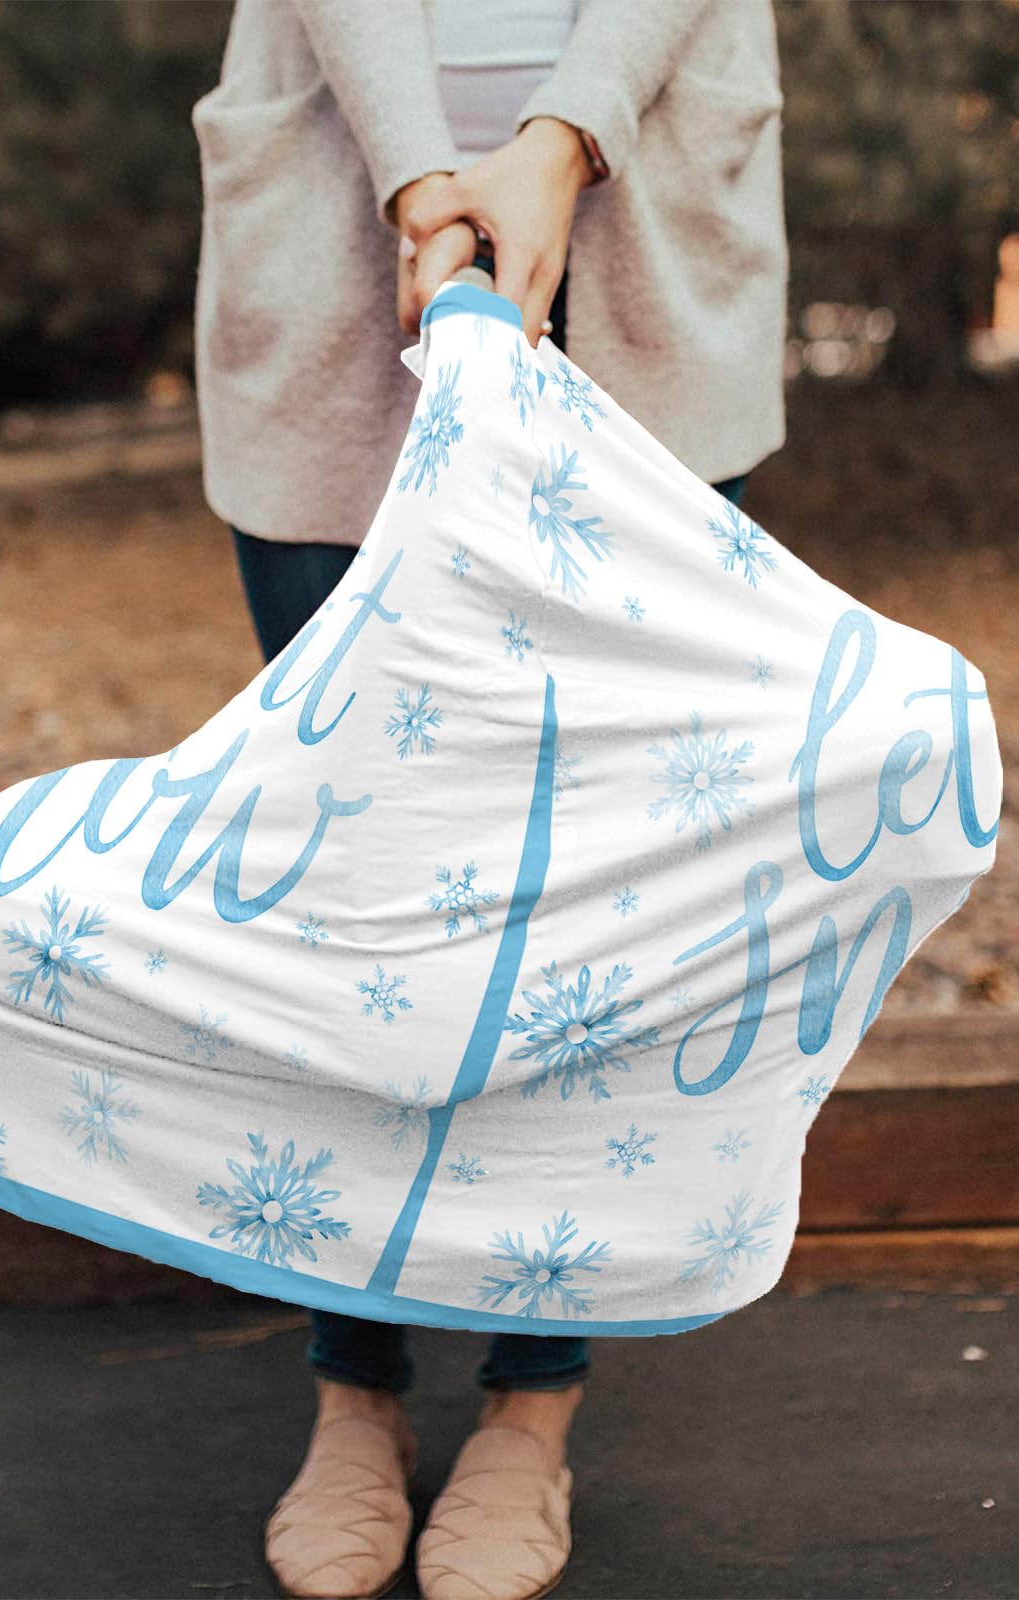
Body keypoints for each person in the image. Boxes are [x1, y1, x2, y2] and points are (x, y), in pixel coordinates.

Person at [189, 3, 787, 1595]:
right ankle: (354, 1387)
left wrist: (559, 138)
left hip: (645, 219)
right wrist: (418, 180)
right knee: (350, 872)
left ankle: (533, 1404)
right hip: (338, 219)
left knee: (600, 883)